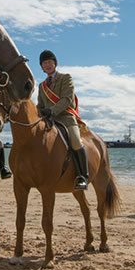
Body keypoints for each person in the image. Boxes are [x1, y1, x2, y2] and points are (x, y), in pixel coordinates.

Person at [37, 50, 88, 190]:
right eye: (44, 63)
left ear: (55, 63)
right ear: (41, 67)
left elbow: (67, 99)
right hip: (48, 120)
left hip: (65, 118)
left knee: (76, 141)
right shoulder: (41, 86)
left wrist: (52, 111)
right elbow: (40, 105)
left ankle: (83, 176)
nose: (47, 65)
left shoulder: (66, 78)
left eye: (49, 62)